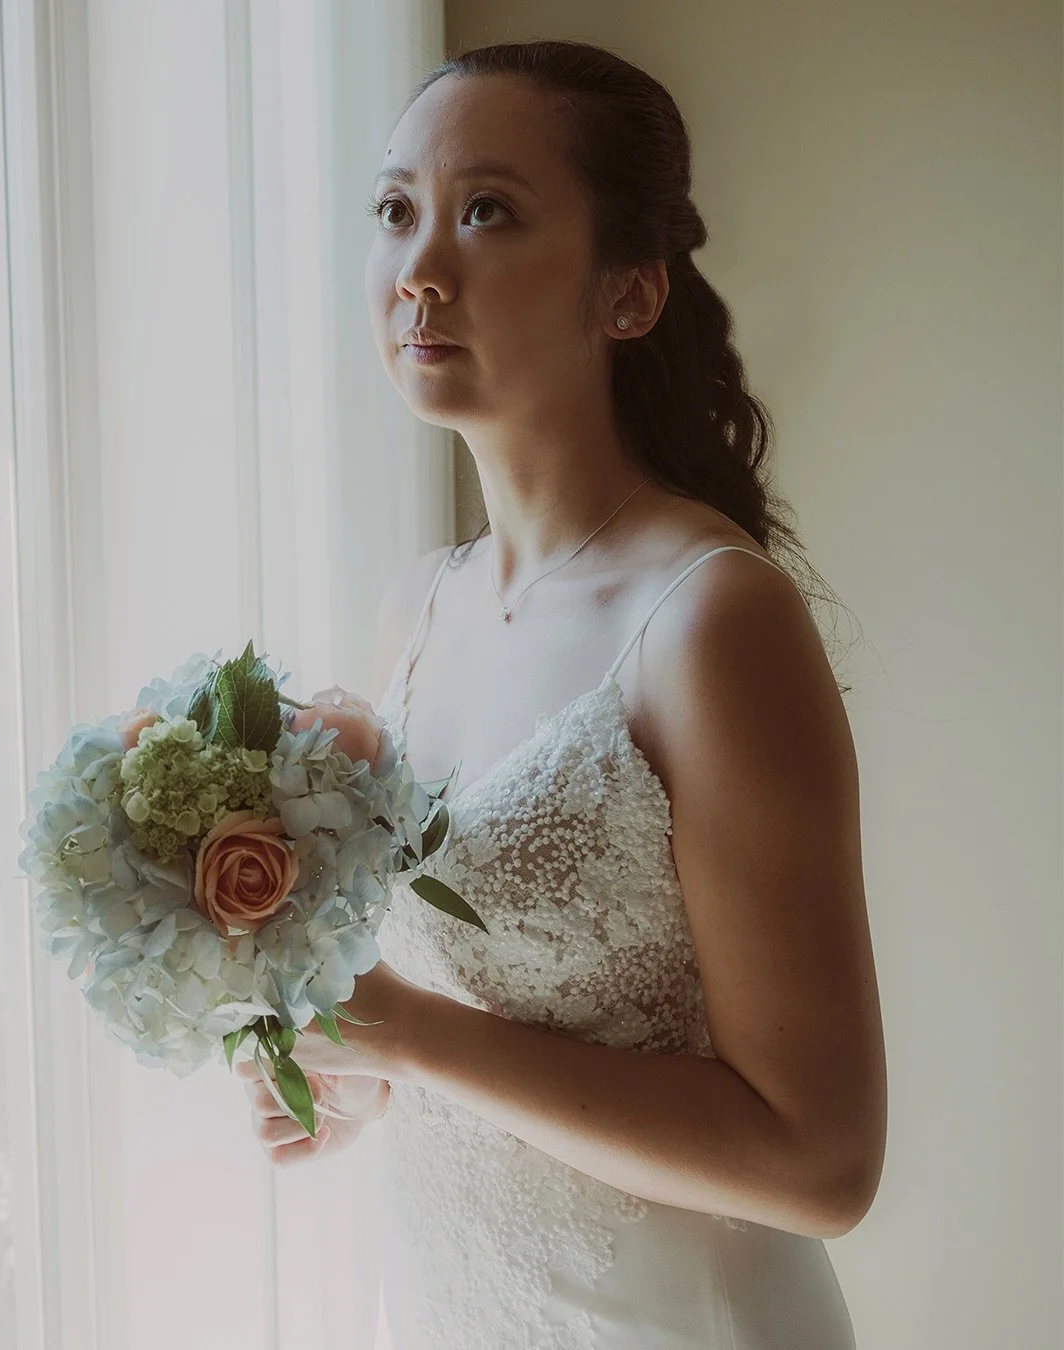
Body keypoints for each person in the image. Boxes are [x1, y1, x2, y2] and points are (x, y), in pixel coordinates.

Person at [242, 37, 886, 1349]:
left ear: (630, 293)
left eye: (487, 210)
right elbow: (497, 1022)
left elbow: (823, 1164)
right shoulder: (415, 610)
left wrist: (411, 1037)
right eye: (394, 210)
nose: (419, 269)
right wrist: (354, 1077)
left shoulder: (707, 616)